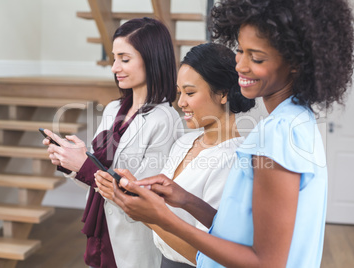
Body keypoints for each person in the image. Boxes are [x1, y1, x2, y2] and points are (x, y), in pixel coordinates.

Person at [104, 0, 354, 267]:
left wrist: (159, 218)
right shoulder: (296, 121)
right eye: (240, 51)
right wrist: (187, 200)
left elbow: (265, 262)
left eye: (256, 58)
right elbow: (242, 232)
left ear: (296, 63)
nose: (241, 67)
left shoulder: (277, 135)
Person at [95, 42, 255, 268]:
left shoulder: (233, 160)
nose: (180, 103)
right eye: (179, 93)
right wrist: (135, 191)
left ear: (223, 94)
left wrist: (149, 216)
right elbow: (165, 207)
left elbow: (212, 255)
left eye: (189, 93)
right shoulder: (184, 142)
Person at [42, 17, 183, 268]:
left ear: (151, 60)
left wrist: (85, 164)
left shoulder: (165, 120)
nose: (114, 67)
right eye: (114, 58)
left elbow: (142, 196)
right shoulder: (113, 109)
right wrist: (71, 162)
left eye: (124, 59)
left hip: (132, 243)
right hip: (101, 235)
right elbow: (95, 182)